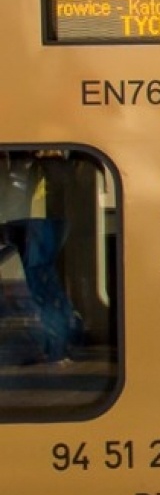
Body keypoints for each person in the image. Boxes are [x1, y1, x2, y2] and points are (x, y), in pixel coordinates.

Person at [0, 151, 81, 365]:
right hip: (27, 218)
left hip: (35, 219)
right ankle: (56, 347)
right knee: (42, 283)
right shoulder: (38, 162)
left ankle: (58, 349)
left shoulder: (38, 160)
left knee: (42, 284)